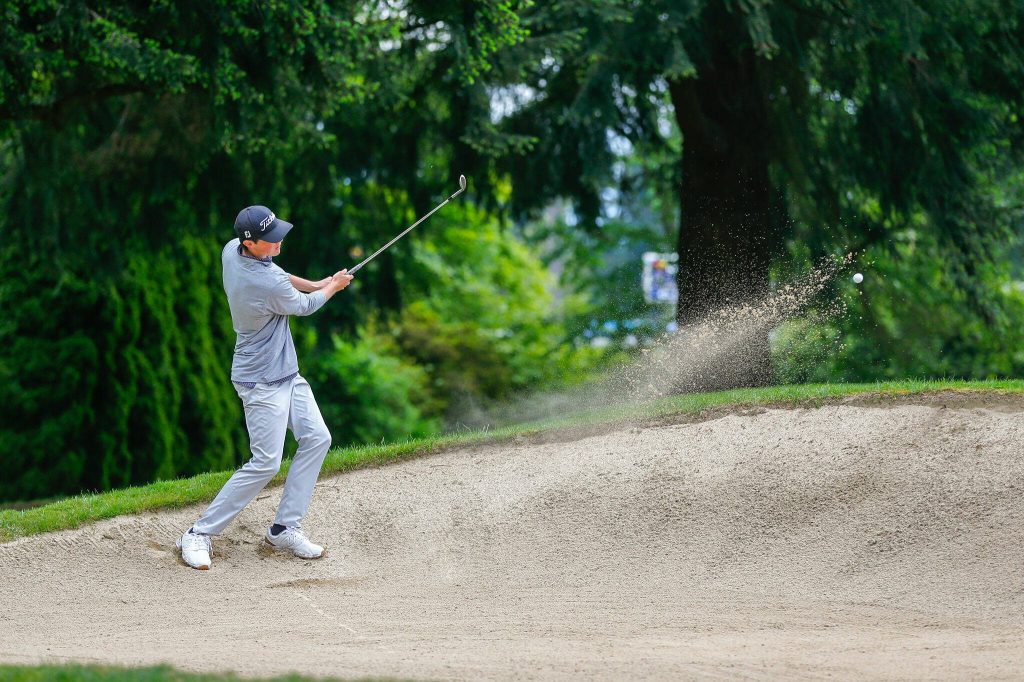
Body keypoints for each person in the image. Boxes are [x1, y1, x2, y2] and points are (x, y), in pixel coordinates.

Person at [176, 205, 353, 570]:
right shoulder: (261, 284)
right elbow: (304, 306)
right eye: (270, 240)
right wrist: (331, 288)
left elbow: (281, 276)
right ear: (249, 241)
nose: (278, 243)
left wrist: (320, 281)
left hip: (286, 372)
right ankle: (198, 533)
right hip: (260, 381)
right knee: (266, 462)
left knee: (318, 438)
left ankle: (284, 528)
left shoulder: (232, 250)